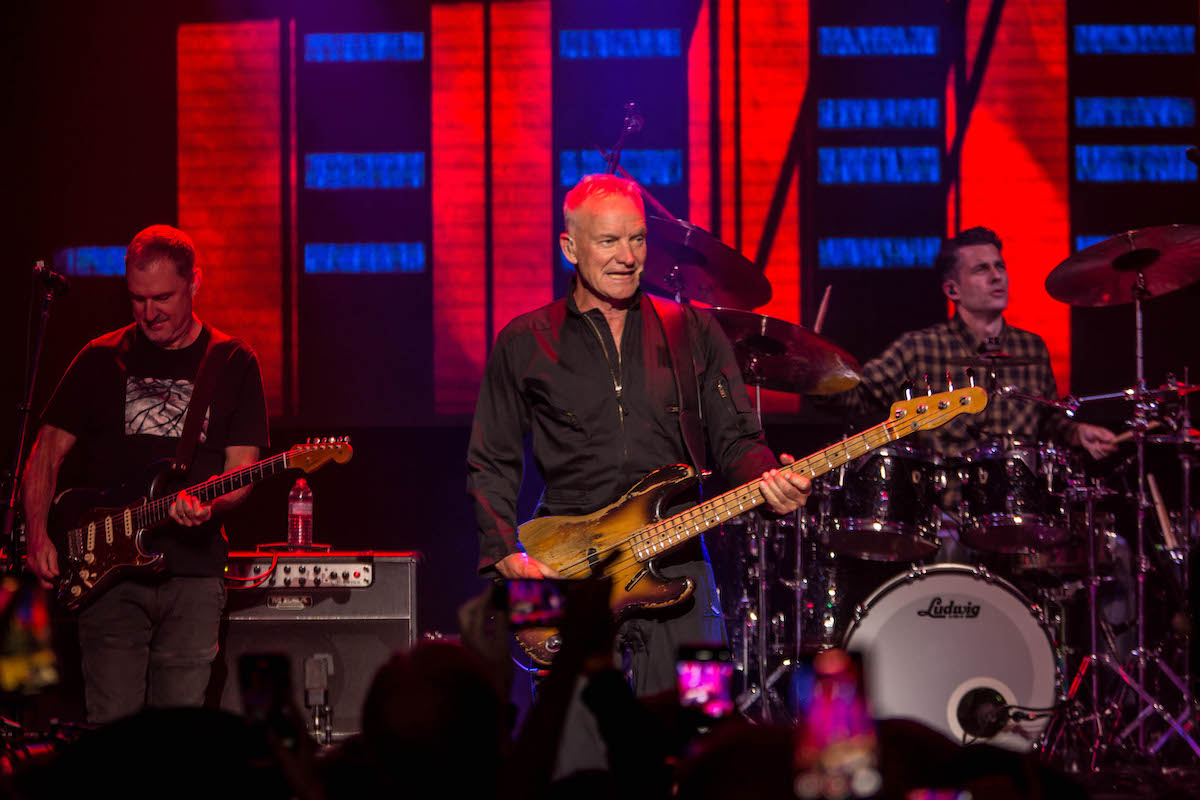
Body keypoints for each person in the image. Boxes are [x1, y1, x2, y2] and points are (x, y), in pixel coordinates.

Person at [466, 174, 810, 772]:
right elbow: (490, 462)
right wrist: (506, 558)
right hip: (558, 561)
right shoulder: (523, 341)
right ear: (570, 248)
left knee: (701, 741)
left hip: (680, 555)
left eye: (638, 239)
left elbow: (737, 442)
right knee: (567, 759)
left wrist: (770, 481)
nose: (628, 257)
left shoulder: (693, 329)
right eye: (609, 241)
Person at [22, 224, 269, 724]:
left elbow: (241, 472)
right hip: (108, 576)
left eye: (162, 298)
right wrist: (37, 534)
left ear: (194, 283)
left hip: (193, 576)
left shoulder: (233, 361)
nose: (149, 312)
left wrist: (210, 505)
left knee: (177, 733)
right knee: (113, 728)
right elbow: (45, 453)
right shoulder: (100, 357)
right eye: (137, 299)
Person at [826, 226, 1116, 460]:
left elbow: (1048, 421)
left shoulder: (1032, 348)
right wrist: (815, 369)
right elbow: (857, 397)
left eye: (1000, 266)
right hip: (943, 506)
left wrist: (1076, 433)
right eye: (981, 269)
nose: (996, 276)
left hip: (1019, 505)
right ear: (952, 290)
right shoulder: (918, 348)